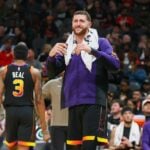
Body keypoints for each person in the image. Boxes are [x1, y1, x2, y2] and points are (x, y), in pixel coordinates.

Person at [46, 10, 120, 150]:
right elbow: (52, 73)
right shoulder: (67, 47)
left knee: (89, 145)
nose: (78, 24)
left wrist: (92, 50)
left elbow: (115, 65)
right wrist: (51, 56)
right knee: (73, 147)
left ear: (90, 24)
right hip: (73, 102)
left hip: (94, 101)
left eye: (82, 21)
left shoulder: (100, 42)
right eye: (75, 21)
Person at [0, 42, 50, 150]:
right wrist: (44, 129)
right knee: (24, 147)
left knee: (11, 146)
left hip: (11, 111)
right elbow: (39, 100)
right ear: (27, 54)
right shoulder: (34, 72)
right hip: (27, 112)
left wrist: (0, 117)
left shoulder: (4, 71)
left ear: (13, 54)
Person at [42, 72, 68, 150]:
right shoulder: (52, 84)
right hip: (56, 125)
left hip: (74, 126)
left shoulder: (79, 84)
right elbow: (37, 96)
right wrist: (45, 110)